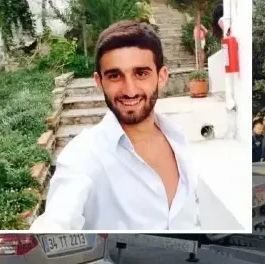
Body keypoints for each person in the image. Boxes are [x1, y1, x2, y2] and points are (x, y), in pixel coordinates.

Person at [31, 21, 199, 231]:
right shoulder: (82, 156)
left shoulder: (177, 137)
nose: (129, 90)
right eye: (115, 76)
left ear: (162, 76)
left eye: (141, 73)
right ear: (99, 82)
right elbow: (56, 223)